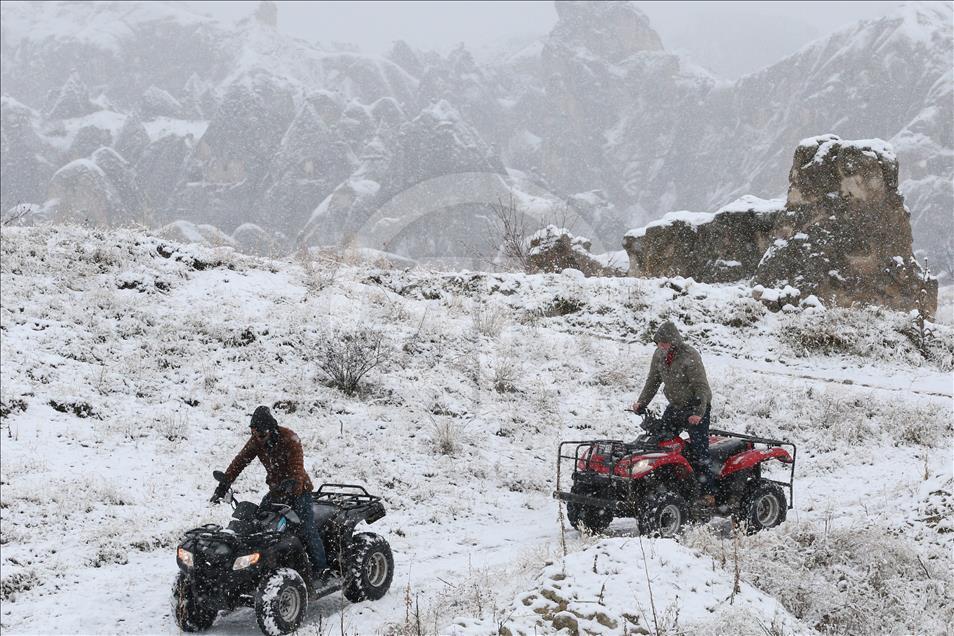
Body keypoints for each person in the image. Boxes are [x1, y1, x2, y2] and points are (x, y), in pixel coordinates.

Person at [211, 406, 328, 574]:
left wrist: (292, 484)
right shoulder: (257, 441)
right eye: (255, 435)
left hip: (299, 490)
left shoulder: (290, 438)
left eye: (261, 435)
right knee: (258, 524)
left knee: (307, 527)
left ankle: (321, 568)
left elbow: (297, 467)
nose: (258, 439)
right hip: (276, 491)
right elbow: (240, 461)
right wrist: (224, 484)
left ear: (271, 430)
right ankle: (258, 564)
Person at [631, 321, 717, 506]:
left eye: (664, 342)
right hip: (676, 406)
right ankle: (672, 480)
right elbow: (653, 380)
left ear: (674, 341)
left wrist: (699, 413)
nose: (660, 346)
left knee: (700, 449)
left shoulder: (689, 356)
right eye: (658, 343)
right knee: (662, 441)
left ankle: (708, 493)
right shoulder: (659, 355)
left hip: (696, 406)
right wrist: (641, 403)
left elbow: (701, 387)